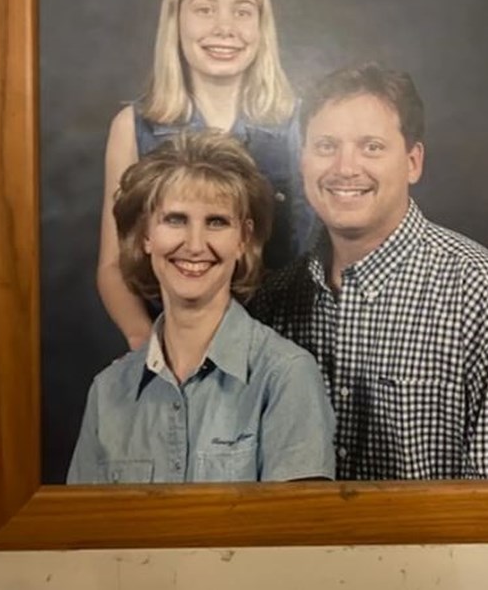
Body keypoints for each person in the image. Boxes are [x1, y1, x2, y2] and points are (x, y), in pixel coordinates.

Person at [249, 62, 488, 481]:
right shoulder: (273, 303)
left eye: (371, 147)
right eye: (326, 146)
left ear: (413, 162)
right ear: (303, 160)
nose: (345, 168)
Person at [69, 130, 335, 484]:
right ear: (146, 235)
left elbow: (298, 520)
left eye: (216, 222)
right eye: (175, 219)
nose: (195, 245)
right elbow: (81, 520)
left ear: (243, 239)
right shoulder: (108, 392)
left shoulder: (286, 376)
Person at [98, 0, 312, 351]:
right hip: (176, 353)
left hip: (282, 352)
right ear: (176, 20)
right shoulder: (133, 127)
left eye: (242, 11)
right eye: (205, 9)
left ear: (262, 26)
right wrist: (146, 343)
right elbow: (112, 266)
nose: (224, 28)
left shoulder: (301, 124)